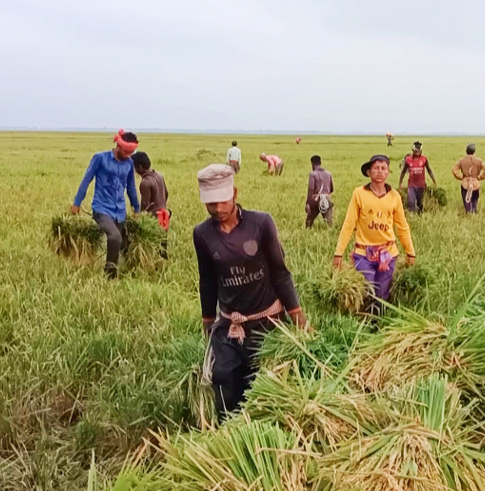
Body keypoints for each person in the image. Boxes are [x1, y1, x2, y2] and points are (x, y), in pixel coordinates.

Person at [193, 164, 308, 422]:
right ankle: (227, 434)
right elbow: (207, 280)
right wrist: (207, 320)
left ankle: (259, 431)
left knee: (260, 382)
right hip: (230, 325)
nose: (217, 209)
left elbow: (280, 271)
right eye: (210, 204)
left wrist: (297, 315)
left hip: (266, 323)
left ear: (234, 193)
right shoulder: (202, 234)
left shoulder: (261, 223)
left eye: (222, 202)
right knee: (224, 379)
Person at [334, 154, 416, 308]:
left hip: (388, 254)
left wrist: (410, 253)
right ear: (369, 172)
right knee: (368, 292)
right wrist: (339, 253)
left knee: (383, 295)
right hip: (363, 255)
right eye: (376, 168)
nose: (379, 171)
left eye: (383, 168)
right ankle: (366, 324)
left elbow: (403, 226)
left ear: (388, 172)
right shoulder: (359, 194)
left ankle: (379, 325)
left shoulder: (394, 197)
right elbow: (349, 224)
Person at [71, 130, 140, 280]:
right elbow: (86, 179)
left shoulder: (129, 163)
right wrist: (77, 202)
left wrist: (136, 207)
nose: (128, 156)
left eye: (131, 153)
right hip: (101, 208)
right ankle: (110, 277)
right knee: (115, 237)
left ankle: (128, 270)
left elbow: (131, 187)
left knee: (123, 241)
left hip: (119, 210)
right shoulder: (100, 159)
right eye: (126, 152)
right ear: (118, 145)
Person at [132, 151, 171, 258]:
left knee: (150, 246)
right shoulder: (159, 175)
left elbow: (145, 204)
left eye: (134, 167)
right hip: (164, 215)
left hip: (153, 218)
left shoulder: (145, 183)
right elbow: (166, 194)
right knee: (162, 245)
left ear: (139, 167)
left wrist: (140, 219)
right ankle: (163, 265)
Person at [398, 141, 438, 213]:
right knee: (411, 202)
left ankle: (420, 215)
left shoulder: (424, 159)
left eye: (419, 151)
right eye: (415, 151)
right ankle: (412, 216)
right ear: (412, 150)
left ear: (421, 151)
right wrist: (400, 183)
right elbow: (403, 172)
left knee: (420, 203)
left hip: (421, 186)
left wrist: (434, 181)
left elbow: (429, 170)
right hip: (411, 186)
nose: (417, 153)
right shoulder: (408, 159)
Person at [451, 143, 485, 214]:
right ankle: (474, 211)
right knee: (475, 200)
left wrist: (460, 177)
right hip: (475, 183)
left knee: (466, 201)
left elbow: (454, 170)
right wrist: (480, 177)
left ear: (466, 151)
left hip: (465, 183)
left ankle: (469, 212)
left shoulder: (462, 160)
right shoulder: (479, 161)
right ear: (474, 151)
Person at [306, 155, 334, 228]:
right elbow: (331, 189)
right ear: (320, 162)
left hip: (316, 199)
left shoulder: (313, 174)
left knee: (309, 222)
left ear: (312, 164)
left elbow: (311, 189)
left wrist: (308, 203)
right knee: (329, 223)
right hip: (327, 199)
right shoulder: (328, 173)